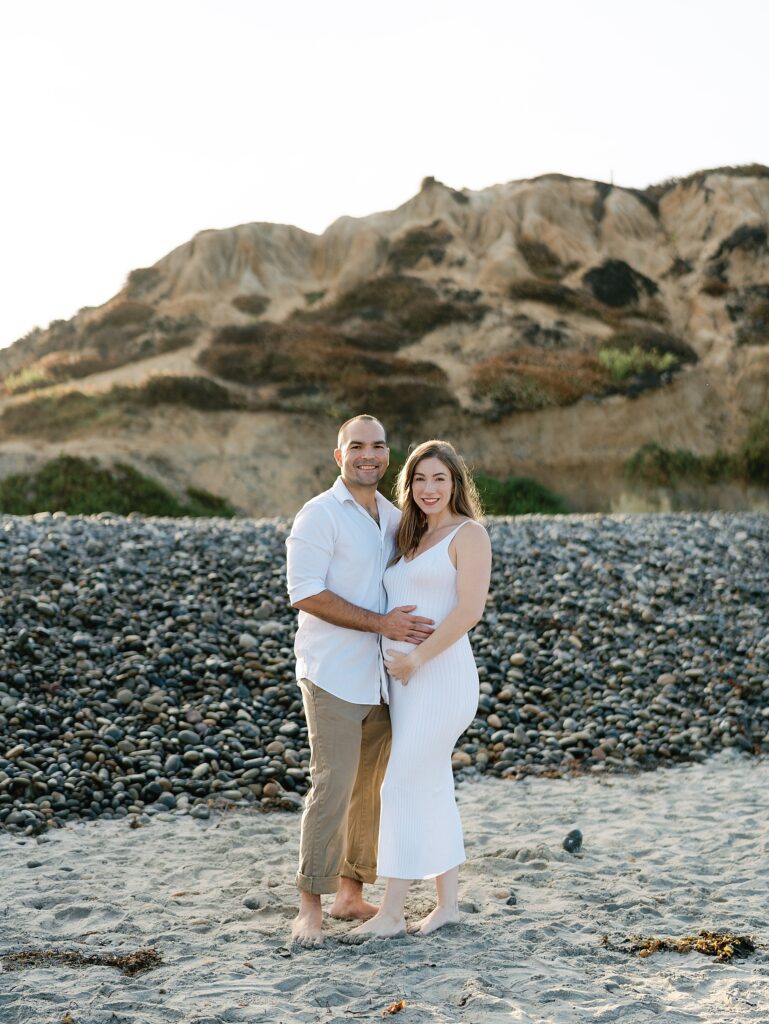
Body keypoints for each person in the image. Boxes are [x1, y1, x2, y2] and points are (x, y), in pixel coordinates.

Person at [285, 414, 435, 947]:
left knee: (372, 789)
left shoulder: (394, 517)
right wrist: (381, 623)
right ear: (339, 454)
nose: (367, 455)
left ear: (388, 455)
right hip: (333, 674)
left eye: (377, 446)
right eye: (356, 446)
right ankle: (310, 904)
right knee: (332, 784)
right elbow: (304, 592)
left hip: (383, 678)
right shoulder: (319, 515)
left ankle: (350, 894)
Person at [345, 439, 491, 941]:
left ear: (455, 483)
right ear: (409, 486)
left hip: (441, 678)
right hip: (405, 683)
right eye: (420, 480)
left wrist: (415, 660)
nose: (429, 489)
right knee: (432, 785)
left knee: (400, 784)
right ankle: (448, 904)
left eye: (439, 479)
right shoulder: (411, 538)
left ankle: (390, 911)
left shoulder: (467, 534)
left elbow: (469, 611)